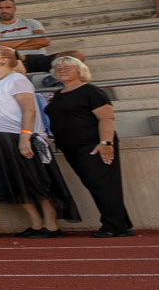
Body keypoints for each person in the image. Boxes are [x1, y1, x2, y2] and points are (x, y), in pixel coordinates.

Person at [44, 56, 131, 236]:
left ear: (80, 71)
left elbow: (106, 118)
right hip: (71, 146)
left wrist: (106, 143)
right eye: (58, 68)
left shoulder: (90, 91)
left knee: (103, 186)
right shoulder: (59, 94)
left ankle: (113, 227)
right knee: (96, 185)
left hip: (92, 145)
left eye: (67, 67)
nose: (61, 70)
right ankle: (122, 224)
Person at [0, 46, 57, 237]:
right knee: (15, 181)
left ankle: (51, 223)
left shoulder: (17, 80)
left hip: (19, 135)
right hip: (0, 137)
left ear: (4, 60)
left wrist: (25, 136)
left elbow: (29, 110)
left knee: (34, 179)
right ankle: (36, 223)